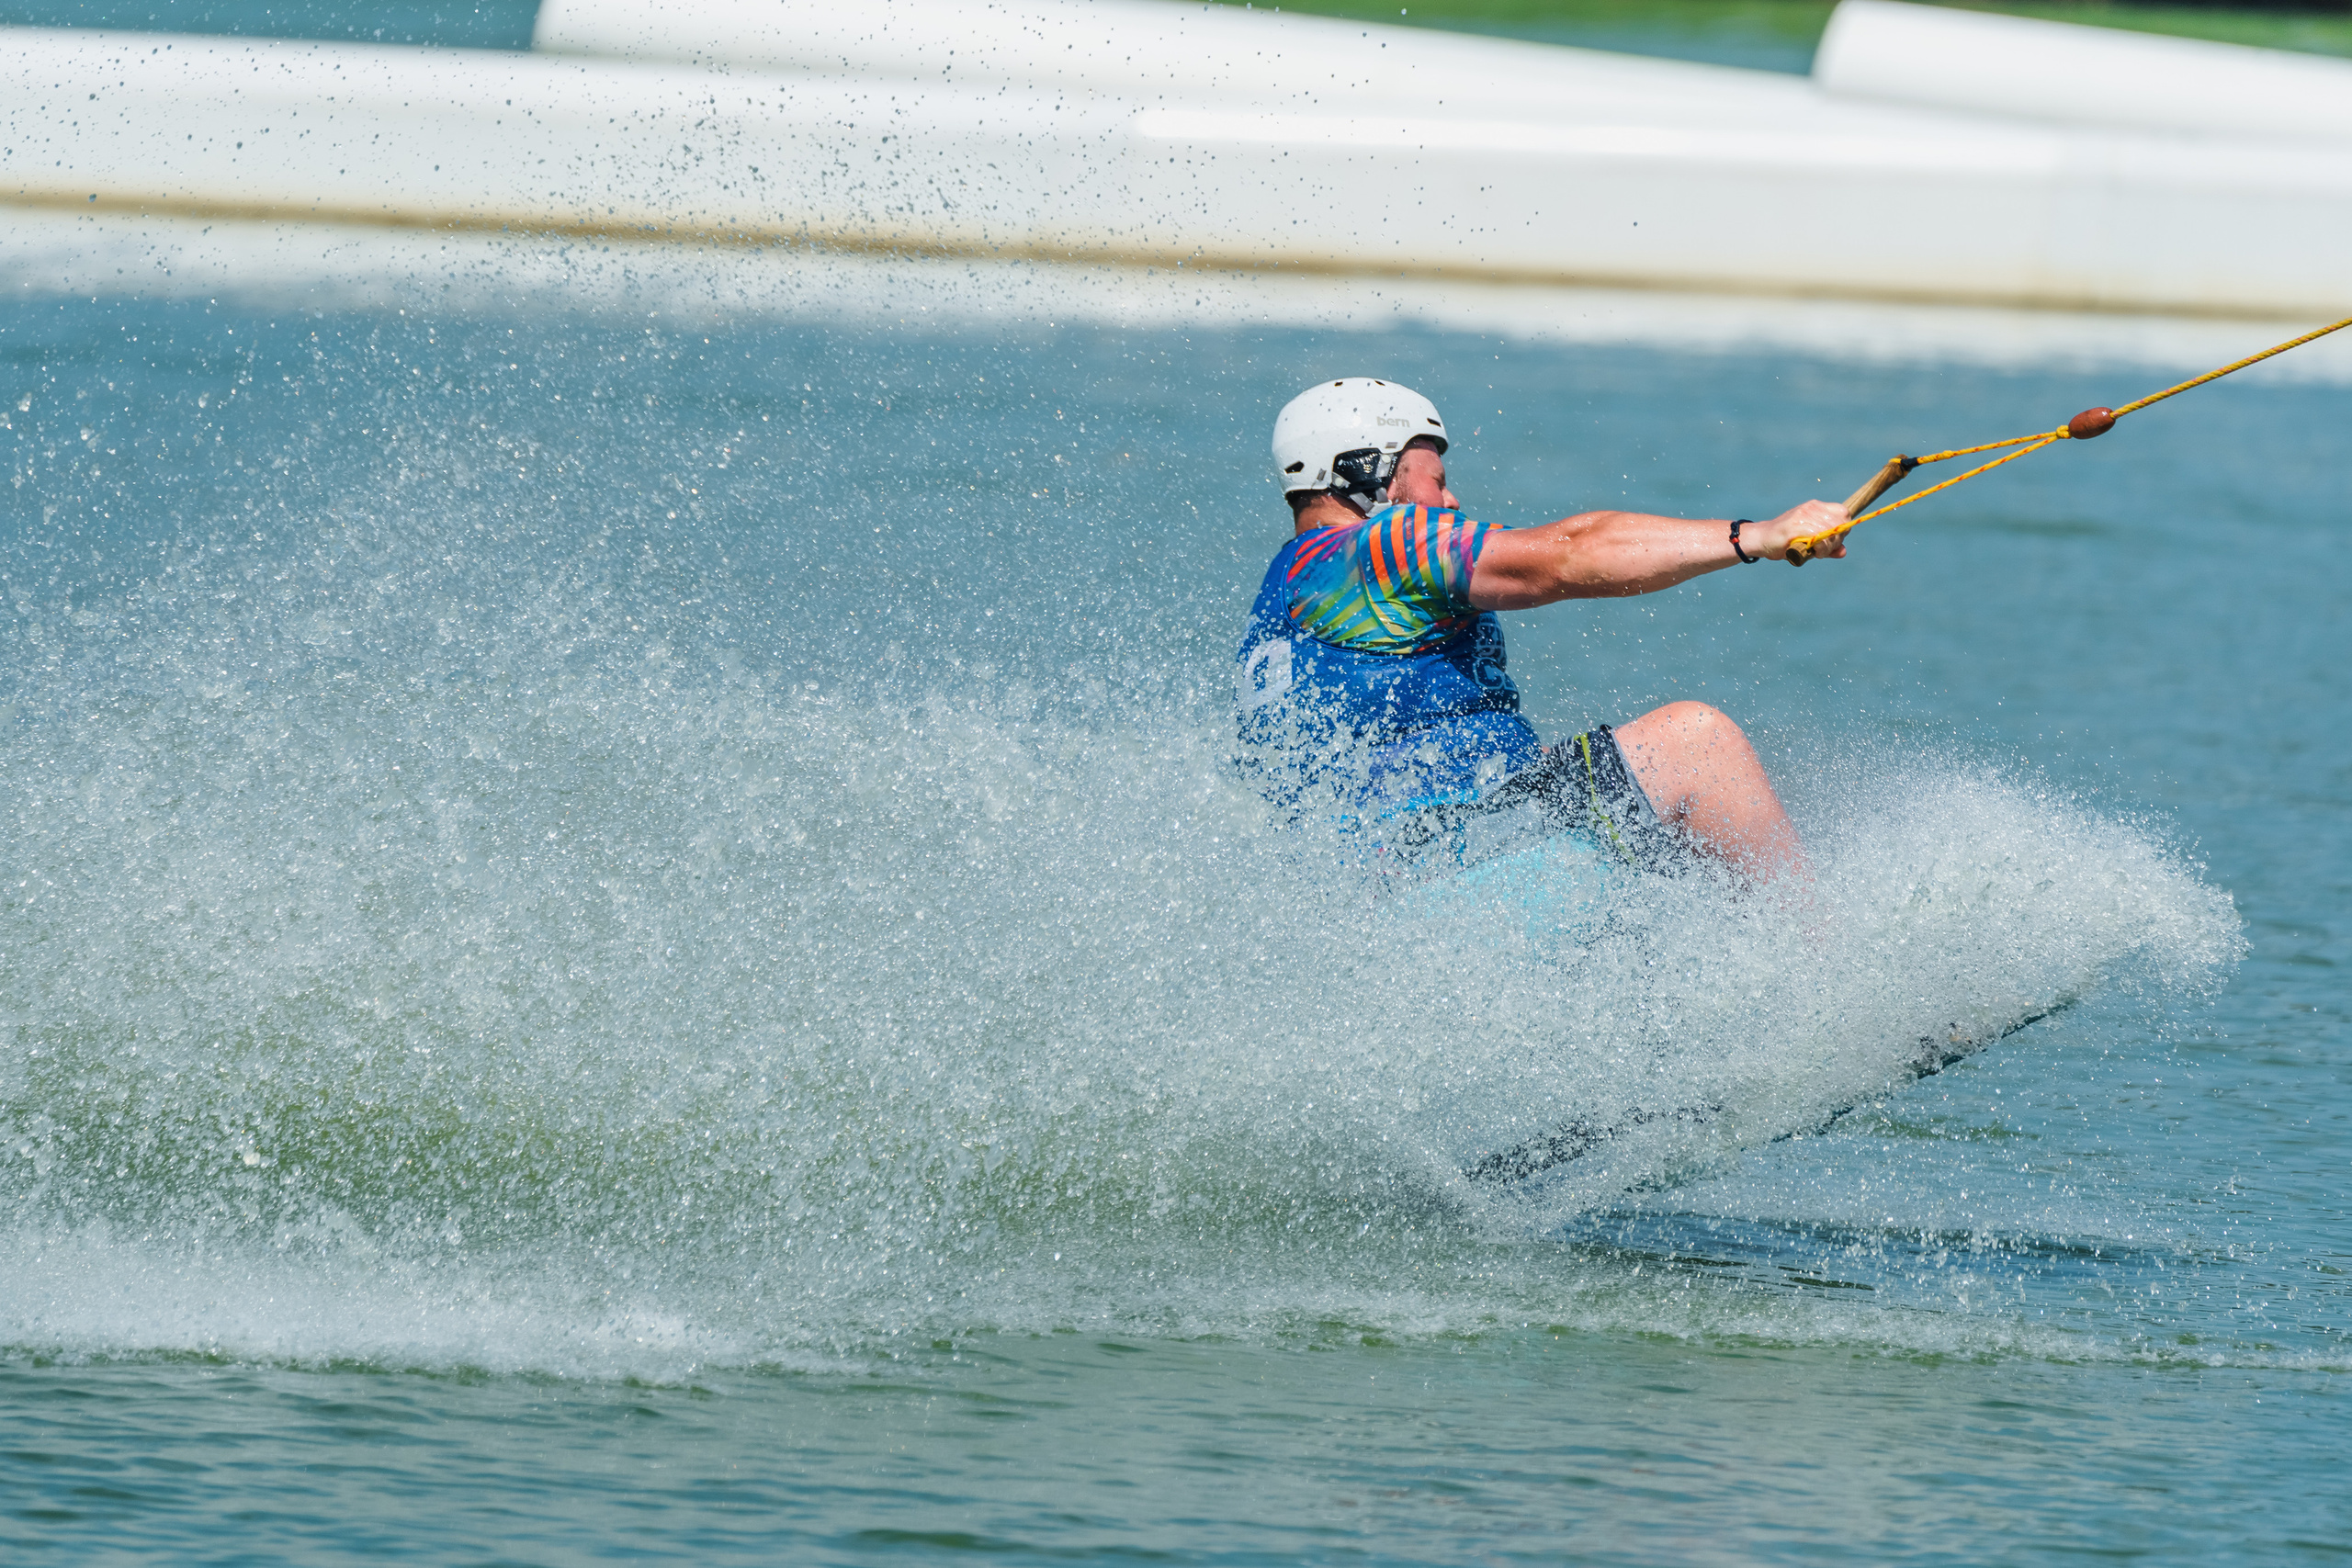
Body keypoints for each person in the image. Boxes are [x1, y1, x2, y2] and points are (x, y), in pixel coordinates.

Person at [1234, 378, 1848, 883]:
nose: (1450, 500)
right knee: (1695, 743)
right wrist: (1757, 536)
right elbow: (1569, 556)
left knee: (1629, 796)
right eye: (1436, 479)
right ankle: (1824, 972)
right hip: (1455, 868)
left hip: (1395, 879)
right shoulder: (1382, 545)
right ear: (1367, 472)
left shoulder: (1281, 599)